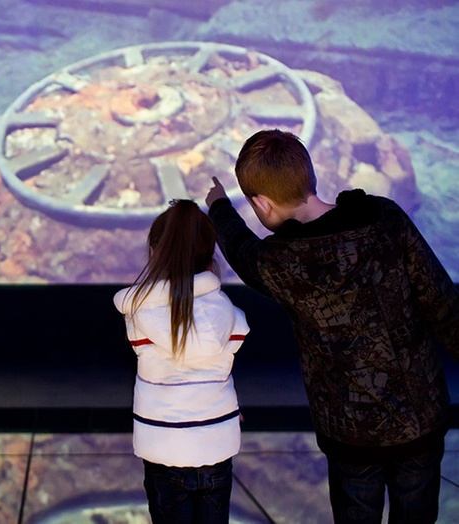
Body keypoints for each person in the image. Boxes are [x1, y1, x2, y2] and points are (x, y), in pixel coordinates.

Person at [205, 128, 459, 523]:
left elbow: (241, 250)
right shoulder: (384, 216)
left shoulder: (279, 262)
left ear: (261, 204)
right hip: (420, 419)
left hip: (350, 437)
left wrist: (219, 206)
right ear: (311, 176)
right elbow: (442, 303)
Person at [114, 199, 249, 523]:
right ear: (209, 250)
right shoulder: (229, 312)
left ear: (154, 250)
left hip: (164, 449)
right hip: (217, 445)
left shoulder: (138, 312)